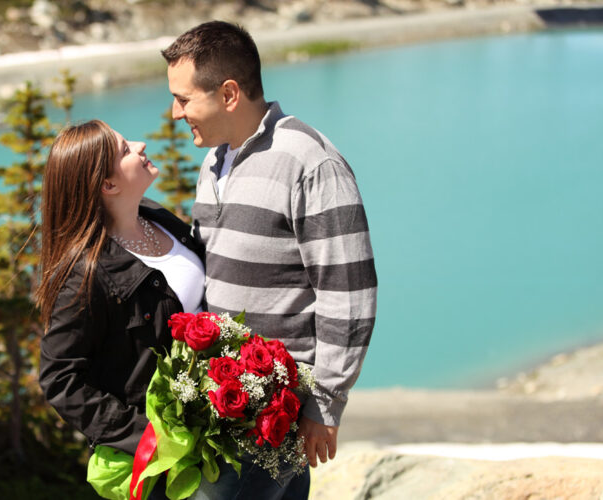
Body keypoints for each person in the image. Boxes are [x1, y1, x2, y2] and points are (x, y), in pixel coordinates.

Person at [162, 21, 378, 498]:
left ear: (230, 93)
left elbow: (350, 293)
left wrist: (325, 403)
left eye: (184, 99)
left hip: (275, 416)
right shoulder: (214, 160)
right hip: (223, 410)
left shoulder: (309, 162)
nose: (175, 113)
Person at [36, 120, 206, 499]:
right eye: (126, 149)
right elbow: (58, 378)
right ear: (108, 185)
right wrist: (146, 434)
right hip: (159, 468)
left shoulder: (157, 217)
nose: (141, 144)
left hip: (209, 431)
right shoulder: (86, 275)